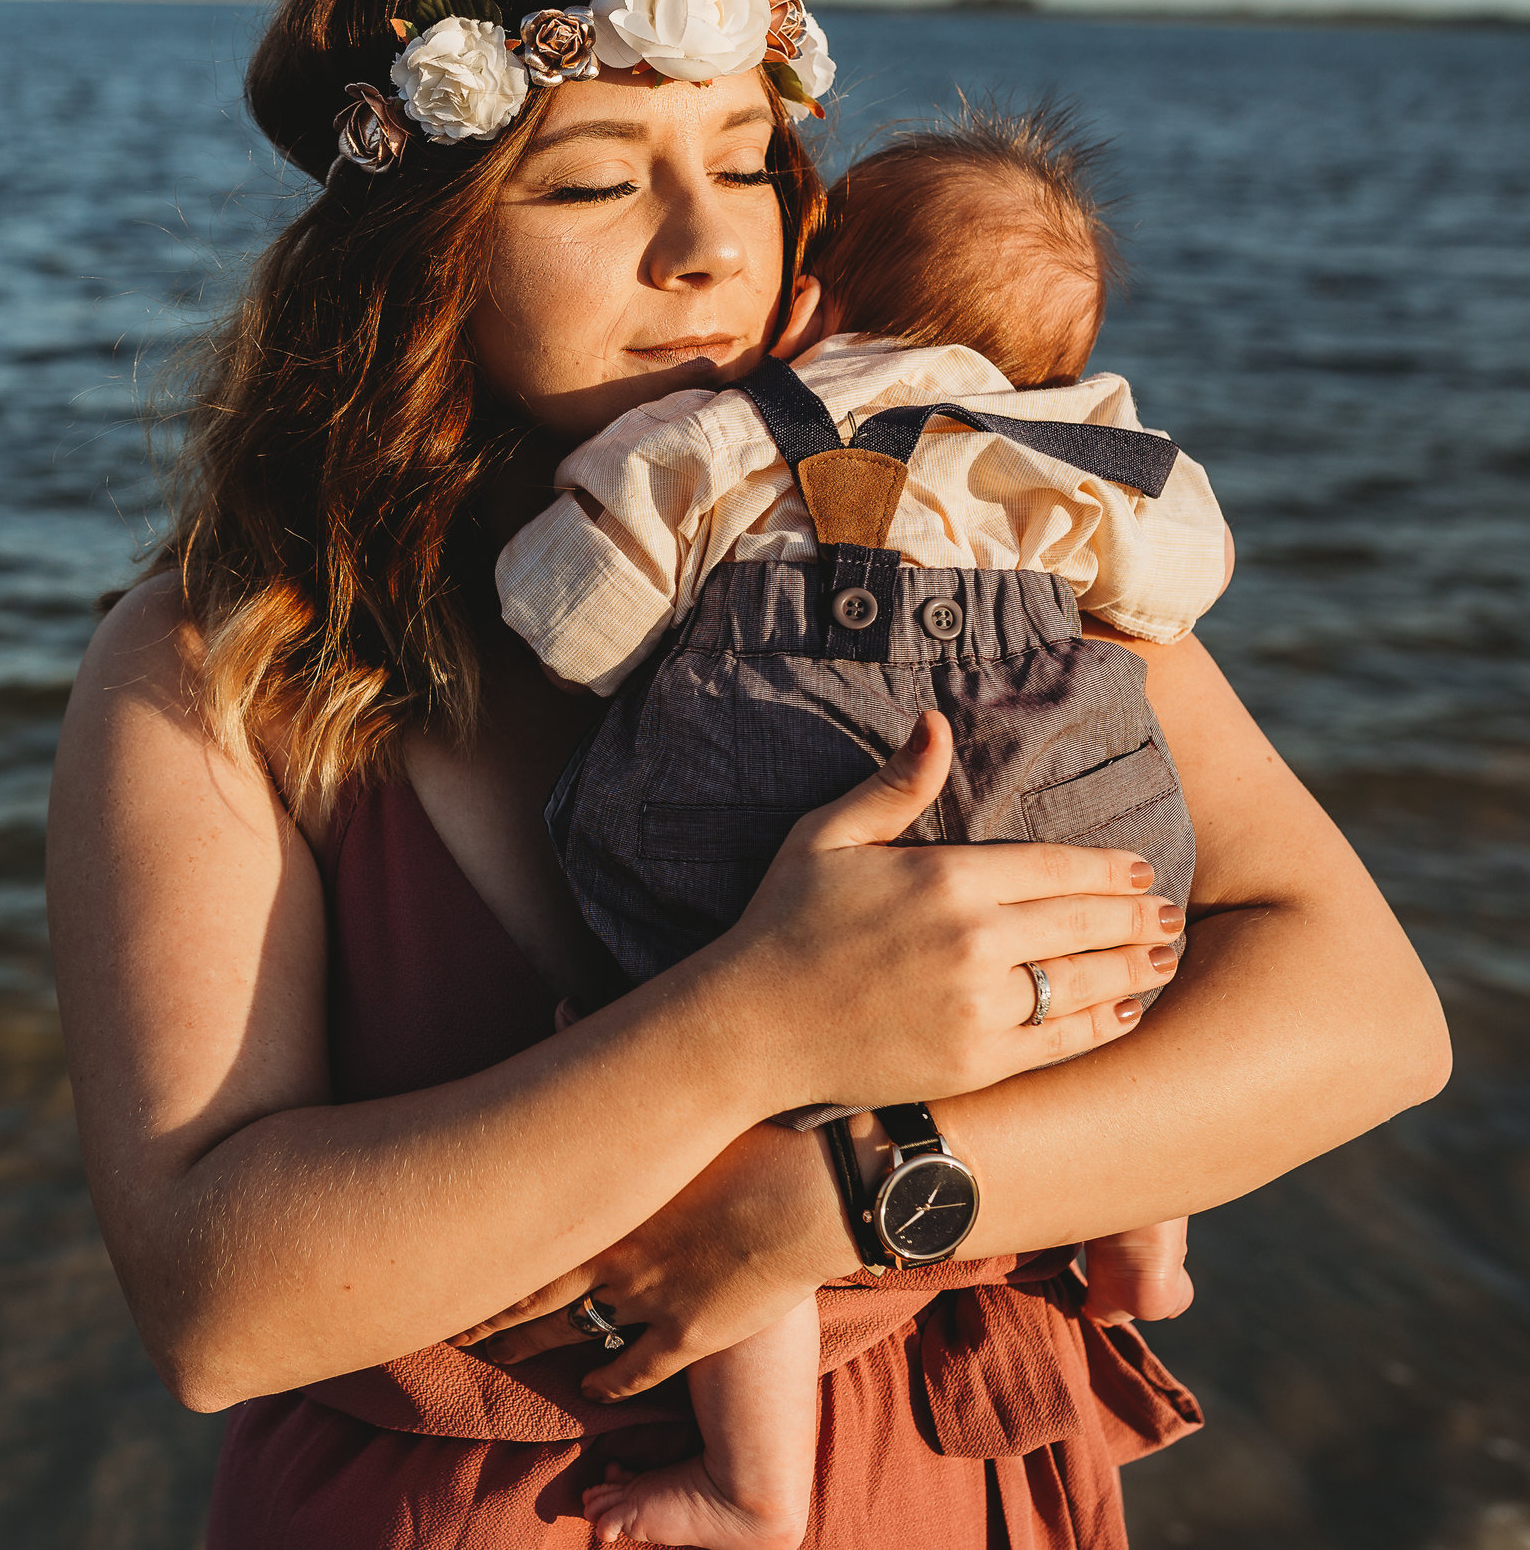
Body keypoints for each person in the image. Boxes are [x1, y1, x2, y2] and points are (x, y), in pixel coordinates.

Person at [45, 0, 1448, 1544]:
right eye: (586, 179)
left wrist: (832, 1201)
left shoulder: (952, 539)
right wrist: (754, 1024)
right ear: (416, 259)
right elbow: (219, 1309)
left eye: (742, 164)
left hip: (953, 1483)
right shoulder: (237, 661)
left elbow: (1368, 1021)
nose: (707, 245)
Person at [500, 107, 1222, 1547]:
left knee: (750, 1094)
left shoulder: (730, 427)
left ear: (815, 298)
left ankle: (754, 1484)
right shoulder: (1078, 430)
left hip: (797, 789)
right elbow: (1181, 569)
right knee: (1107, 972)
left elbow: (577, 618)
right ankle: (1146, 1233)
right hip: (1054, 763)